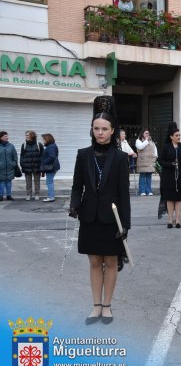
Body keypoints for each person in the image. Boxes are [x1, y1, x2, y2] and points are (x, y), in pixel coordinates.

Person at [69, 95, 131, 324]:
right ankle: (96, 306)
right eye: (96, 128)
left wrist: (126, 224)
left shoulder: (121, 157)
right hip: (89, 217)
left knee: (111, 263)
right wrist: (75, 204)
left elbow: (124, 194)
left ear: (113, 130)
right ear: (92, 129)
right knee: (94, 263)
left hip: (112, 219)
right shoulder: (83, 155)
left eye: (104, 128)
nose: (100, 132)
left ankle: (107, 306)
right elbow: (77, 186)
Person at [158, 122, 181, 228]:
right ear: (171, 137)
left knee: (178, 199)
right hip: (168, 176)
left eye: (179, 135)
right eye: (176, 135)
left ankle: (177, 220)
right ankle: (170, 220)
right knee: (169, 199)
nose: (178, 137)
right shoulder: (166, 147)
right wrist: (170, 164)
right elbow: (160, 161)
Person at [20, 130, 44, 201]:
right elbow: (22, 156)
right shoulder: (24, 145)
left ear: (32, 136)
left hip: (37, 166)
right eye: (26, 135)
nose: (26, 136)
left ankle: (37, 194)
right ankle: (28, 194)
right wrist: (22, 164)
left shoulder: (39, 144)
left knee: (37, 182)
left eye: (27, 135)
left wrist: (41, 166)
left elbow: (42, 155)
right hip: (27, 166)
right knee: (28, 182)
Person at [135, 129, 157, 196]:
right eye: (146, 133)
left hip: (150, 161)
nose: (147, 134)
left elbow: (155, 149)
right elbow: (140, 147)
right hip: (142, 161)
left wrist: (155, 156)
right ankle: (142, 191)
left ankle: (149, 190)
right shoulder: (138, 141)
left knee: (149, 176)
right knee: (142, 176)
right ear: (142, 134)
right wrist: (146, 141)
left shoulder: (151, 141)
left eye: (148, 133)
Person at [40, 133, 60, 202]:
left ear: (47, 139)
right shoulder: (51, 146)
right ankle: (50, 196)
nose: (43, 141)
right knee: (50, 181)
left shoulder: (51, 147)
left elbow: (52, 157)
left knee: (49, 182)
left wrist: (44, 161)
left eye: (43, 139)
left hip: (51, 167)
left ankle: (51, 197)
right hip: (52, 167)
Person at [0, 131, 18, 201]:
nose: (7, 137)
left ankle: (9, 196)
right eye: (5, 136)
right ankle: (1, 196)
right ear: (1, 137)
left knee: (8, 183)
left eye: (7, 136)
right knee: (1, 182)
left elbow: (15, 156)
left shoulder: (11, 146)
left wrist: (13, 163)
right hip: (1, 168)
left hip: (10, 168)